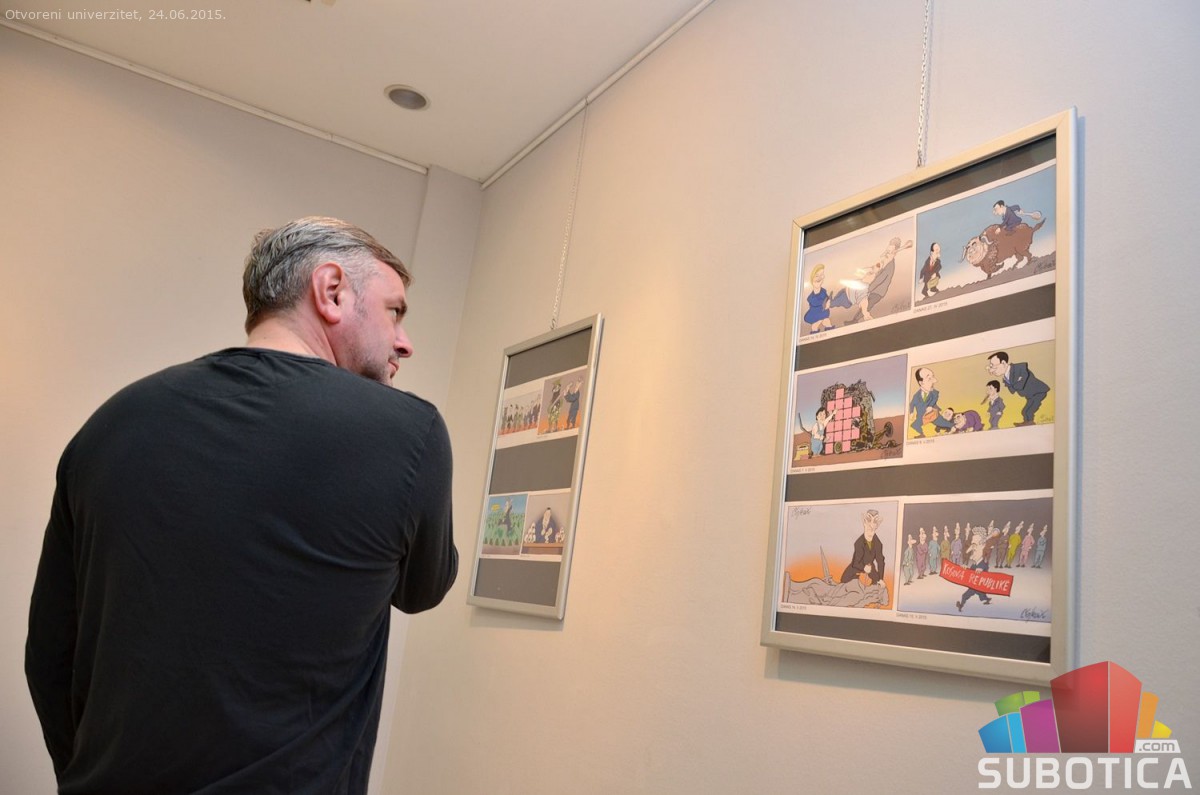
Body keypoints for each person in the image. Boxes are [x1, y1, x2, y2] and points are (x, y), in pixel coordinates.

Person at [25, 217, 458, 794]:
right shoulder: (408, 434)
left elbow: (49, 654)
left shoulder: (109, 425)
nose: (404, 342)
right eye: (394, 311)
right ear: (332, 291)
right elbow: (422, 590)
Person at [987, 351, 1050, 427]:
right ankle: (1027, 422)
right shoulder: (1006, 377)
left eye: (994, 366)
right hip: (1030, 395)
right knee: (1025, 411)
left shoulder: (1019, 367)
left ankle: (1030, 423)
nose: (992, 370)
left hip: (1038, 392)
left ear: (1003, 363)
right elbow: (1012, 390)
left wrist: (1015, 383)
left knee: (1028, 411)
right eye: (991, 367)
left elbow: (1021, 384)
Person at [839, 509, 886, 585]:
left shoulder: (878, 543)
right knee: (844, 581)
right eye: (869, 522)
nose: (871, 526)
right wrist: (864, 568)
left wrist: (880, 578)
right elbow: (855, 563)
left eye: (874, 523)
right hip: (856, 568)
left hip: (870, 569)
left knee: (877, 584)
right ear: (864, 523)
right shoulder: (859, 543)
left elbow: (880, 561)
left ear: (877, 526)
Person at [803, 264, 834, 333]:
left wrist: (829, 302)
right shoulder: (812, 297)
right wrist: (825, 305)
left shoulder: (823, 291)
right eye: (816, 276)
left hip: (823, 312)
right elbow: (816, 303)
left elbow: (827, 298)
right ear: (812, 279)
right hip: (815, 314)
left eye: (822, 274)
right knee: (815, 326)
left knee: (827, 322)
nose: (819, 278)